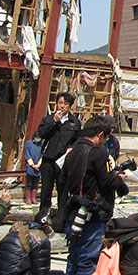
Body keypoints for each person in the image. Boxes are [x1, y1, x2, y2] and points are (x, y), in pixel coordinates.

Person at [56, 114, 128, 275]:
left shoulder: (72, 152)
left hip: (72, 212)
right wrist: (119, 178)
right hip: (92, 214)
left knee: (75, 256)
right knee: (88, 258)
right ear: (100, 135)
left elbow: (61, 182)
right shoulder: (98, 153)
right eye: (106, 138)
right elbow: (106, 182)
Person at [35, 92, 82, 220]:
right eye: (60, 103)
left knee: (62, 190)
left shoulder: (74, 122)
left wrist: (72, 148)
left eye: (65, 104)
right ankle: (42, 216)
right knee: (46, 190)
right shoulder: (48, 119)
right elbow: (41, 134)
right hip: (48, 160)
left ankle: (61, 218)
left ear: (70, 106)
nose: (62, 106)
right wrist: (54, 121)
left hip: (63, 162)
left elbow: (78, 139)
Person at [24, 133, 44, 205]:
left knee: (35, 184)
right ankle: (28, 199)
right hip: (30, 167)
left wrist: (38, 164)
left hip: (38, 167)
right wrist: (32, 165)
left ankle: (33, 198)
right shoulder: (28, 143)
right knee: (29, 183)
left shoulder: (41, 144)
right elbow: (27, 154)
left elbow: (42, 155)